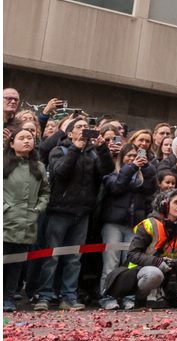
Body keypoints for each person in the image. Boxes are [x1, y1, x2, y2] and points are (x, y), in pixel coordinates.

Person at [31, 116, 115, 310]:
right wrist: (76, 149)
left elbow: (107, 171)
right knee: (51, 256)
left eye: (87, 127)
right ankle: (44, 295)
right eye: (79, 127)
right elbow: (61, 172)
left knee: (74, 257)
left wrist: (102, 149)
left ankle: (68, 296)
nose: (84, 129)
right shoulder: (59, 150)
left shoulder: (94, 153)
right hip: (59, 211)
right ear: (70, 133)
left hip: (83, 212)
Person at [104, 190, 177, 309]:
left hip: (174, 266)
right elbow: (132, 254)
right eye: (176, 202)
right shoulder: (148, 224)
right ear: (165, 205)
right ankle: (140, 300)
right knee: (154, 274)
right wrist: (158, 262)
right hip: (148, 268)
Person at [97, 143, 155, 310]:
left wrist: (146, 166)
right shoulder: (112, 175)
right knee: (111, 262)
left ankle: (127, 295)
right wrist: (131, 167)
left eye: (135, 156)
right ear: (121, 158)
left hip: (134, 226)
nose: (132, 159)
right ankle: (107, 295)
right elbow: (117, 186)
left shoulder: (141, 178)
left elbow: (150, 187)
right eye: (128, 156)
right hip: (113, 225)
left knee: (130, 263)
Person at [4, 127, 49, 312]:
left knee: (17, 264)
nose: (26, 141)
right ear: (12, 143)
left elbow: (45, 192)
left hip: (28, 222)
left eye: (29, 138)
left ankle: (8, 297)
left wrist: (38, 209)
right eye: (21, 138)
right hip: (6, 220)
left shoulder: (39, 166)